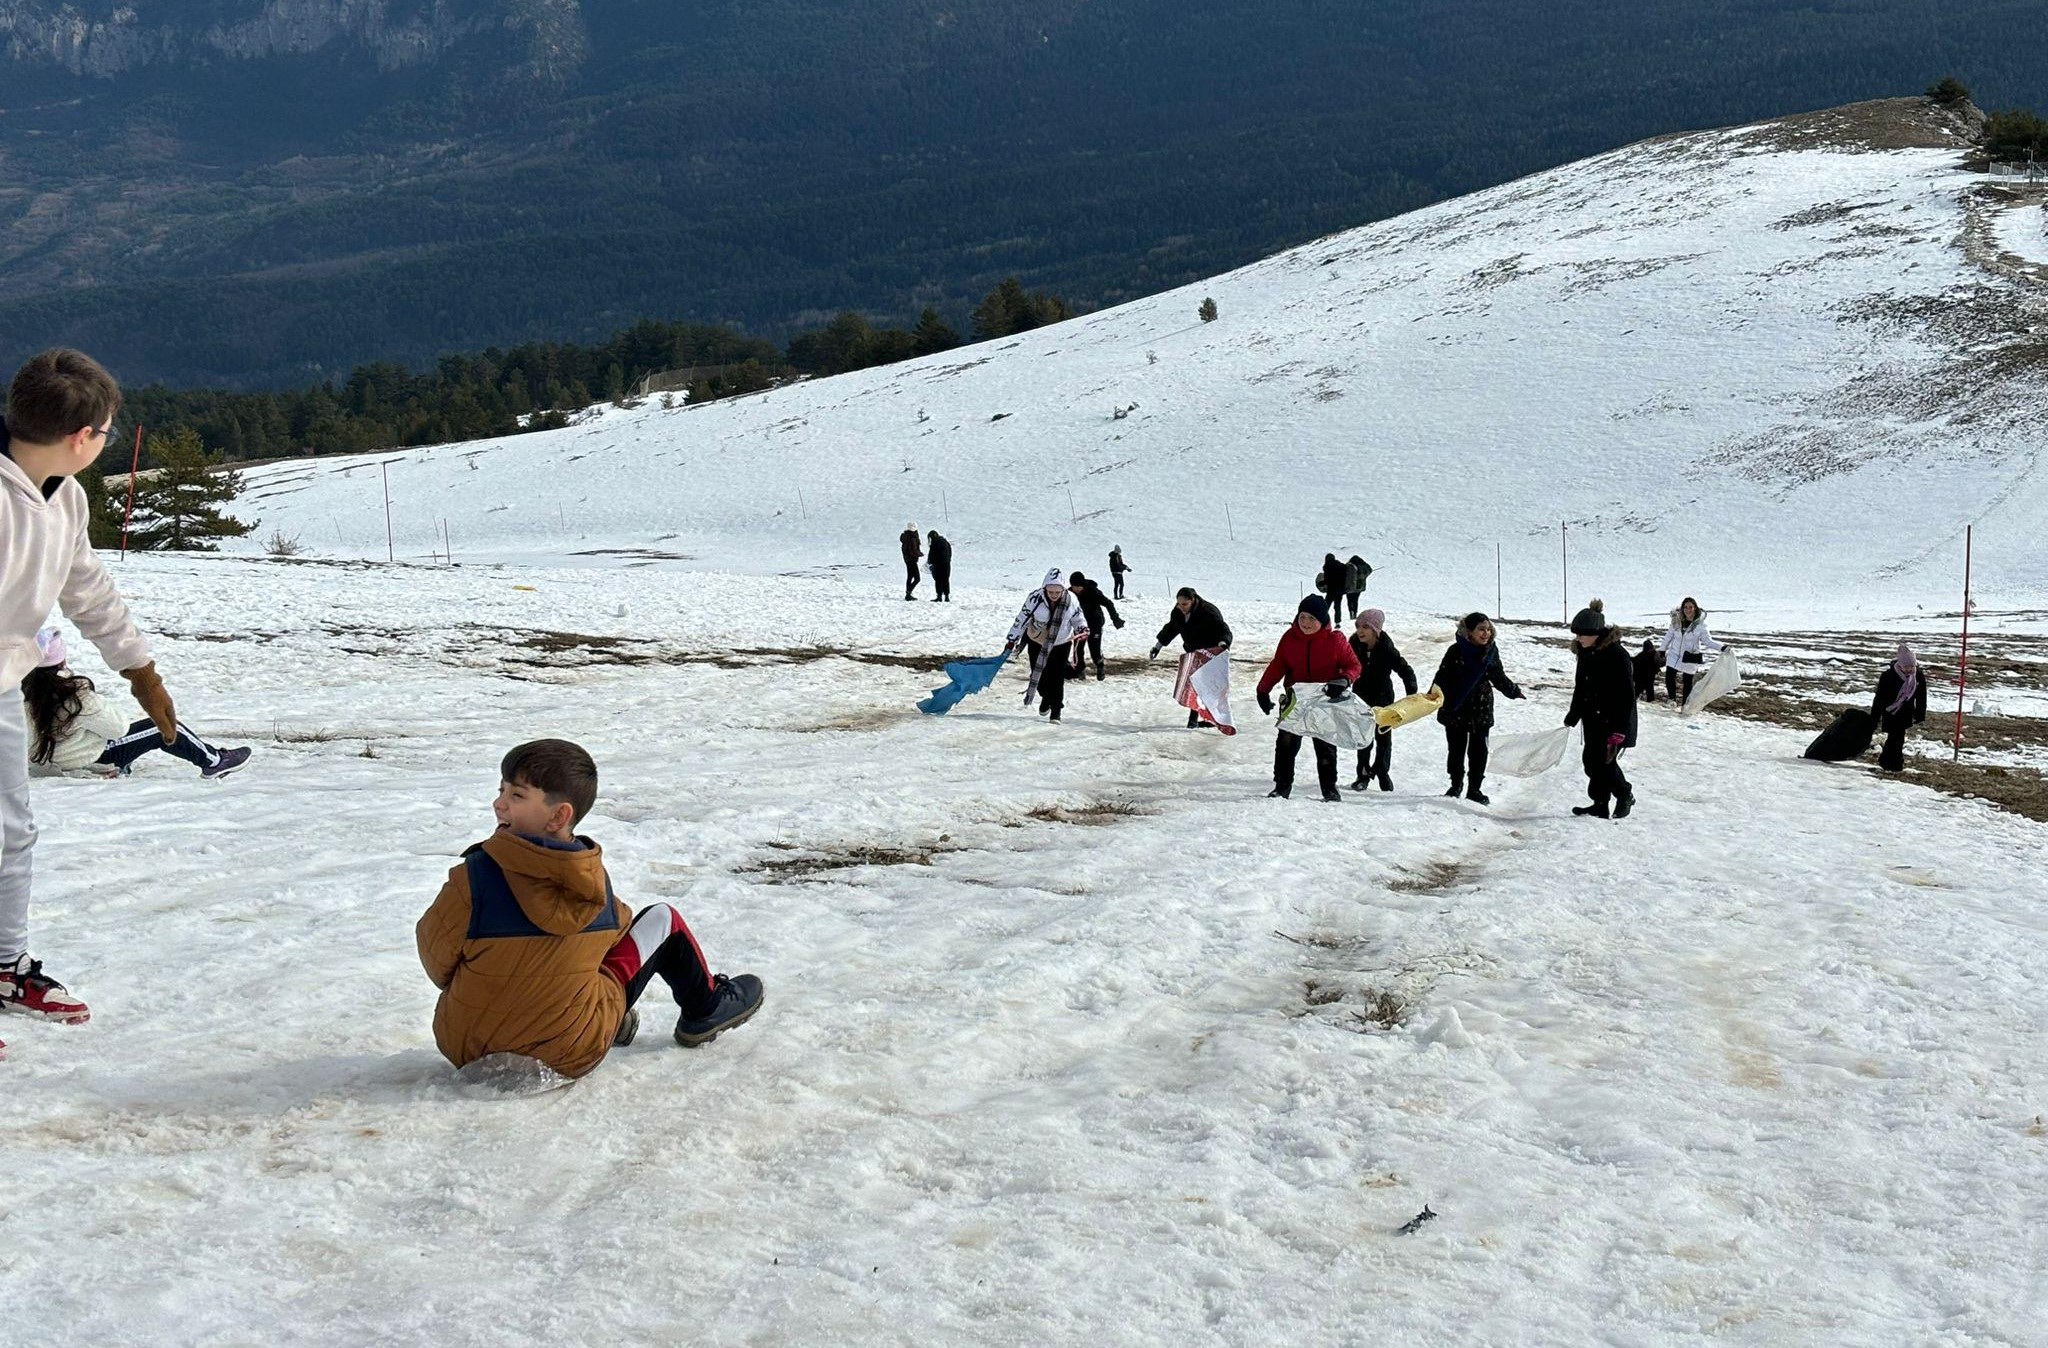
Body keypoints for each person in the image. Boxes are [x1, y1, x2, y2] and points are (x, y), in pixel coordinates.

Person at [2, 348, 196, 1044]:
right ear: (81, 437)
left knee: (11, 831)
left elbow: (87, 590)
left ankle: (5, 966)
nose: (106, 442)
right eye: (108, 431)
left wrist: (140, 672)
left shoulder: (66, 496)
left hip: (1, 683)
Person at [417, 739, 764, 1076]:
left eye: (515, 795)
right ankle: (705, 1008)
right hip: (569, 1052)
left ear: (559, 815)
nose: (499, 804)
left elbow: (437, 964)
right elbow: (619, 936)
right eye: (501, 791)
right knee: (662, 920)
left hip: (468, 1048)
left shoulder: (471, 878)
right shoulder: (589, 882)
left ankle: (606, 1018)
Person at [23, 628, 250, 780]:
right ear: (62, 660)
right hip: (94, 757)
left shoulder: (17, 692)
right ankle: (215, 761)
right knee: (161, 727)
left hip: (52, 759)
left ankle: (121, 765)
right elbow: (117, 729)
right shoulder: (75, 697)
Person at [1255, 596, 1360, 802]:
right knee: (1285, 744)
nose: (1305, 623)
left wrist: (1344, 680)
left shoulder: (1335, 640)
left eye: (1311, 618)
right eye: (1302, 617)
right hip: (1296, 699)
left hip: (1324, 699)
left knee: (1325, 746)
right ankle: (1282, 787)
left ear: (1322, 620)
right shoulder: (1290, 637)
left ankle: (1330, 789)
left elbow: (1353, 665)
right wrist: (1263, 690)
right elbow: (1278, 665)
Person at [1431, 611, 1525, 806]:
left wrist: (1513, 690)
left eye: (1488, 629)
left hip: (1481, 707)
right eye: (1481, 629)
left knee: (1479, 751)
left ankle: (1475, 789)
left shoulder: (1490, 652)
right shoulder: (1455, 651)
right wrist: (1432, 696)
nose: (1486, 633)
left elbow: (1498, 676)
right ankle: (1455, 784)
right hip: (1456, 706)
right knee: (1456, 749)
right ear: (1469, 632)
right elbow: (1442, 677)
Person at [1563, 601, 1638, 819]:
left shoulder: (1617, 655)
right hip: (1592, 718)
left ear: (1596, 633)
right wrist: (1573, 715)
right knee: (1591, 763)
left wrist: (1620, 729)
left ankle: (1625, 794)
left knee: (1604, 763)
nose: (1578, 638)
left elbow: (1626, 696)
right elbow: (1582, 687)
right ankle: (1600, 804)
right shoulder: (1585, 652)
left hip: (1614, 720)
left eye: (1581, 634)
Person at [1004, 569, 1091, 723]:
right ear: (1045, 588)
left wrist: (1082, 628)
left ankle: (1056, 712)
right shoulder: (1035, 598)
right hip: (1037, 641)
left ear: (1063, 589)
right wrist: (1012, 640)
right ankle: (1046, 698)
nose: (1054, 595)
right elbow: (1022, 619)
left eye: (1057, 591)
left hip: (1061, 643)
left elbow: (1078, 618)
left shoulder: (1071, 599)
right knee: (1039, 676)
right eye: (1050, 591)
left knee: (1057, 677)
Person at [1347, 609, 1416, 792]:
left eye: (1365, 627)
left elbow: (1404, 669)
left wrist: (1412, 694)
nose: (1360, 631)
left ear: (1376, 630)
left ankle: (1382, 772)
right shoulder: (1353, 644)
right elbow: (1343, 666)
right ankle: (1362, 775)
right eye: (1358, 626)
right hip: (1361, 698)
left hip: (1383, 699)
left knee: (1383, 738)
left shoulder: (1386, 648)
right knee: (1364, 739)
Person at [1151, 587, 1233, 728]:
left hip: (1210, 653)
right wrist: (1158, 646)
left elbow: (1222, 628)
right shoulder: (1178, 612)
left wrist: (1223, 643)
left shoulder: (1208, 611)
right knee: (1194, 684)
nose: (1181, 607)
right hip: (1193, 652)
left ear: (1193, 601)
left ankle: (1212, 718)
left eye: (1184, 604)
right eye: (1178, 603)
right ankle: (1194, 721)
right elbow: (1171, 628)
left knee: (1207, 687)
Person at [1872, 643, 1927, 772]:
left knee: (1897, 737)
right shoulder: (1888, 676)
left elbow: (1921, 697)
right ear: (1900, 665)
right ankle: (1894, 764)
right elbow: (1879, 697)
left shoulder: (1918, 676)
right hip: (1890, 710)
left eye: (1912, 666)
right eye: (1906, 667)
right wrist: (1875, 716)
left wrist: (1920, 714)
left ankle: (1888, 762)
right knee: (1896, 736)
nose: (1909, 670)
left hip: (1906, 712)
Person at [1663, 597, 1722, 705]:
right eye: (1685, 607)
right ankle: (1672, 700)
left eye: (1690, 607)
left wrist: (1722, 647)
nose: (1688, 610)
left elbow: (1707, 641)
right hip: (1674, 654)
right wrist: (1662, 650)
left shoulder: (1700, 626)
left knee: (1687, 681)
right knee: (1669, 675)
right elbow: (1668, 637)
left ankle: (1685, 706)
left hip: (1690, 656)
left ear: (1695, 608)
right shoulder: (1676, 622)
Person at [1067, 571, 1124, 680]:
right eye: (1074, 586)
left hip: (1095, 623)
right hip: (1079, 625)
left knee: (1094, 651)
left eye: (1078, 586)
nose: (1076, 589)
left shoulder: (1093, 592)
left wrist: (1115, 618)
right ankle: (1080, 670)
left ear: (1082, 585)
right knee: (1078, 649)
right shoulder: (1070, 594)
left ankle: (1100, 664)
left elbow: (1108, 603)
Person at [1343, 555, 1372, 622]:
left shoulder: (1350, 565)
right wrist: (1364, 576)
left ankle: (1351, 612)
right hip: (1359, 586)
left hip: (1350, 586)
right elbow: (1370, 570)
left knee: (1349, 599)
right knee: (1355, 600)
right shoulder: (1364, 566)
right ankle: (1355, 613)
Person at [926, 529, 952, 602]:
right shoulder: (945, 542)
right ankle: (947, 596)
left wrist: (930, 562)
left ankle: (939, 596)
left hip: (938, 565)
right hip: (946, 564)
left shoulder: (934, 544)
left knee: (938, 581)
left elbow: (932, 555)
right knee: (946, 580)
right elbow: (950, 553)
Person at [899, 525, 923, 600]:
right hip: (912, 560)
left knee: (910, 577)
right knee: (917, 578)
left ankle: (908, 594)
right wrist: (920, 554)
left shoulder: (906, 537)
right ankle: (908, 593)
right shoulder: (912, 538)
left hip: (907, 560)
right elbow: (913, 551)